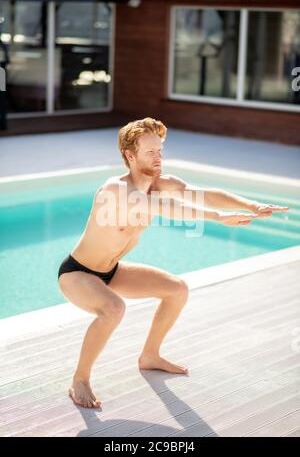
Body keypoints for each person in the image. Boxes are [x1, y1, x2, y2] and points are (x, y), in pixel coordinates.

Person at [58, 117, 289, 409]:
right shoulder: (115, 189)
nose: (158, 158)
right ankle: (80, 378)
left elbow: (204, 195)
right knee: (114, 308)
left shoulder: (161, 183)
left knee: (177, 289)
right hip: (78, 273)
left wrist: (252, 205)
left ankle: (150, 356)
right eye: (150, 152)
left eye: (160, 151)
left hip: (111, 271)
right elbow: (165, 207)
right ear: (130, 155)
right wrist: (217, 218)